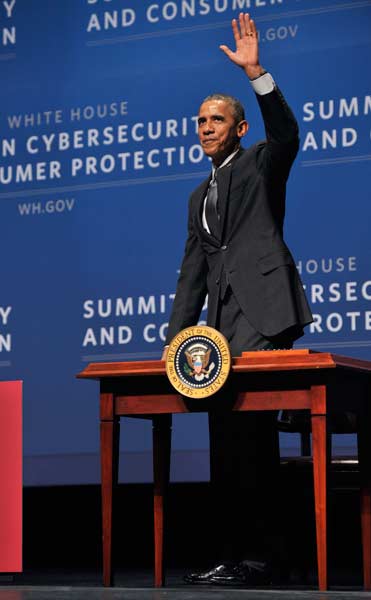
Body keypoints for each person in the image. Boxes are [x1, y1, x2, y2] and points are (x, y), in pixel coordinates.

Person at [162, 13, 313, 586]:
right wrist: (178, 336)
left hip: (265, 312)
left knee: (250, 438)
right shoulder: (198, 193)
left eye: (217, 119)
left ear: (239, 127)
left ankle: (265, 556)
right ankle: (237, 554)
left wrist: (257, 73)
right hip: (220, 331)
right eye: (200, 120)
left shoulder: (261, 163)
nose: (205, 127)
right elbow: (192, 273)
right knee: (226, 438)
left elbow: (288, 135)